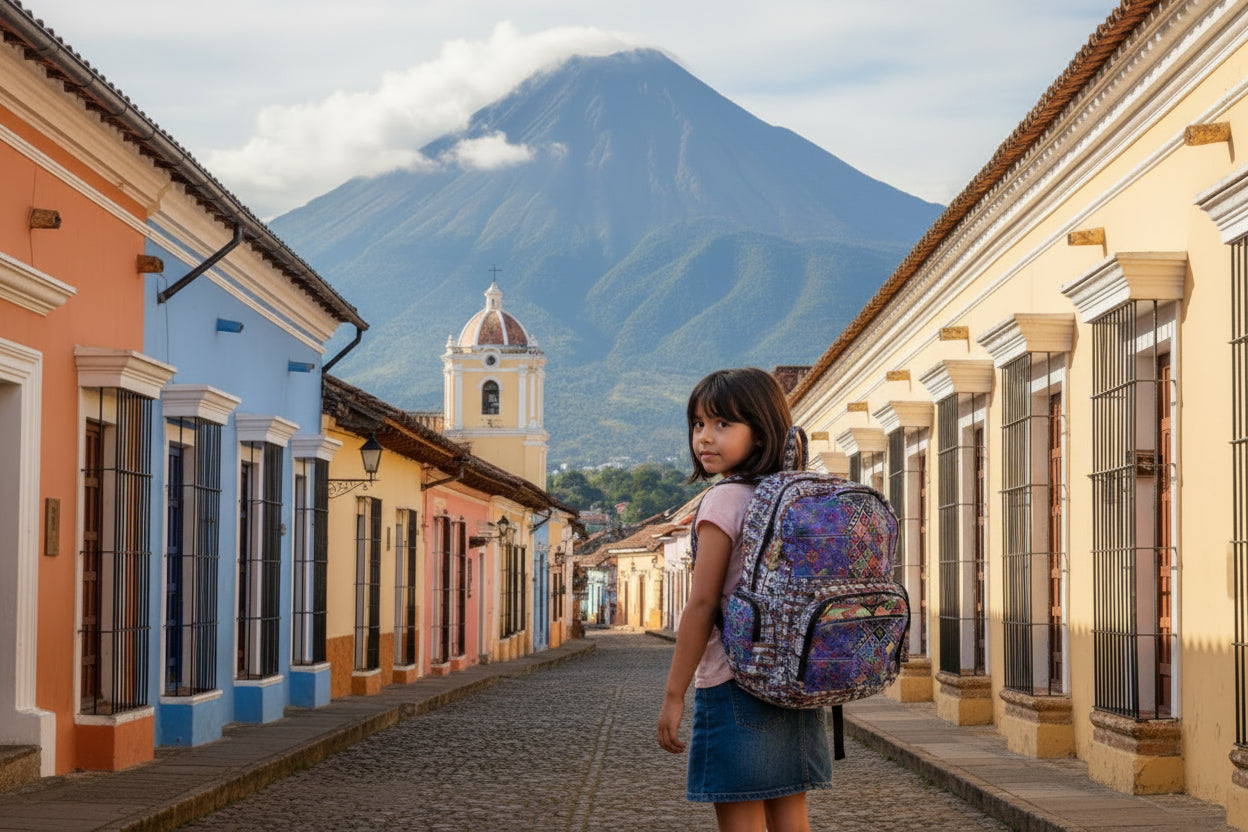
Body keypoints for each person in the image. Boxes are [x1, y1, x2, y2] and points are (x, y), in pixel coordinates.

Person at [657, 368, 832, 832]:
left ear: (760, 431)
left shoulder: (722, 502)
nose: (705, 438)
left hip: (733, 682)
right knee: (792, 819)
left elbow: (701, 605)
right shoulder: (791, 496)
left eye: (723, 424)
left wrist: (675, 696)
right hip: (794, 681)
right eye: (698, 424)